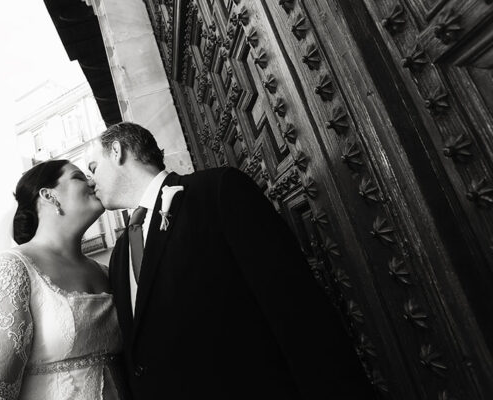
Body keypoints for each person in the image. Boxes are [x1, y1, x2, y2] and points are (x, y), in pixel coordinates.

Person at [87, 122, 376, 399]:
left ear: (117, 151)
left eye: (93, 167)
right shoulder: (120, 254)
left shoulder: (216, 192)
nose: (91, 180)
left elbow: (294, 306)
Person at [0, 160, 123, 400]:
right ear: (49, 195)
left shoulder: (107, 272)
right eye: (78, 177)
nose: (92, 181)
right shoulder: (12, 269)